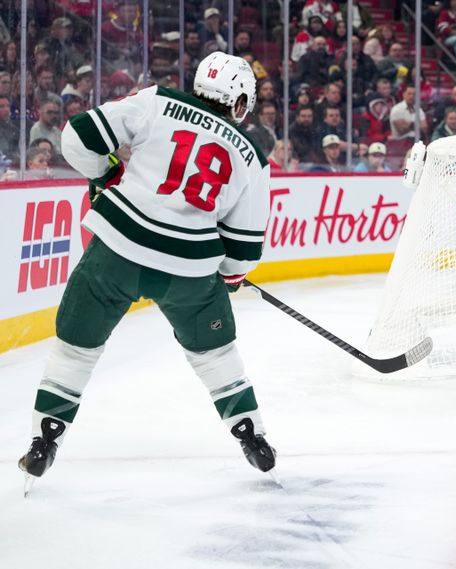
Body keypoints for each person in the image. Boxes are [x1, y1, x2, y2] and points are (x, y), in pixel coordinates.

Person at [18, 52, 276, 489]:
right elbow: (245, 249)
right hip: (188, 270)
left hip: (117, 250)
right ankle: (252, 437)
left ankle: (45, 440)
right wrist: (228, 277)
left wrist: (106, 175)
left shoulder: (156, 101)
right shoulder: (251, 155)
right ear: (237, 101)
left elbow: (78, 137)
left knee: (75, 351)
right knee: (215, 355)